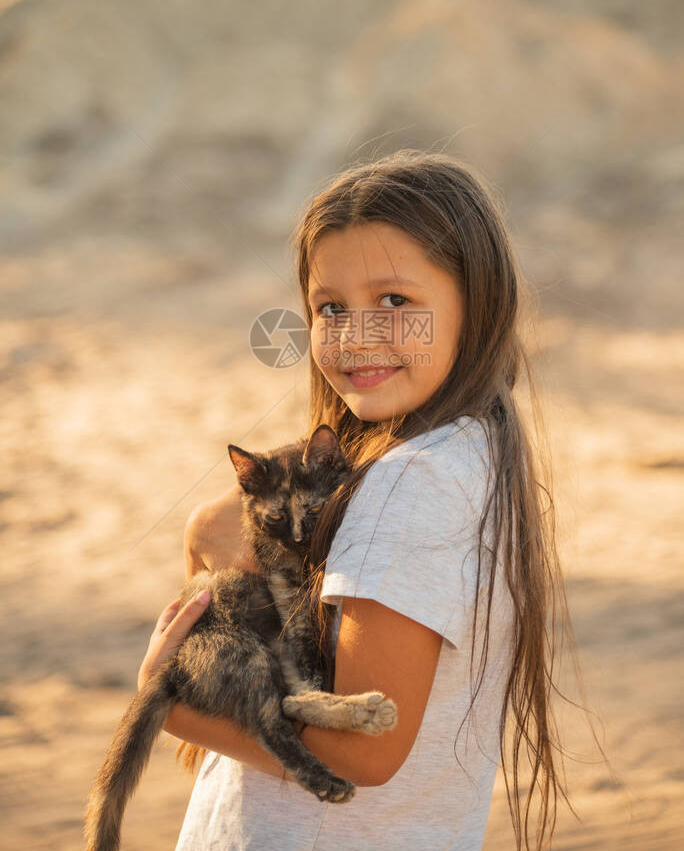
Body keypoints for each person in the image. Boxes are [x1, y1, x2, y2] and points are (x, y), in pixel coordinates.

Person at [137, 150, 575, 850]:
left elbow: (366, 751)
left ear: (479, 300)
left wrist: (170, 701)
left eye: (395, 302)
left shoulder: (411, 485)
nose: (355, 335)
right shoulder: (471, 450)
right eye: (330, 307)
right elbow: (222, 528)